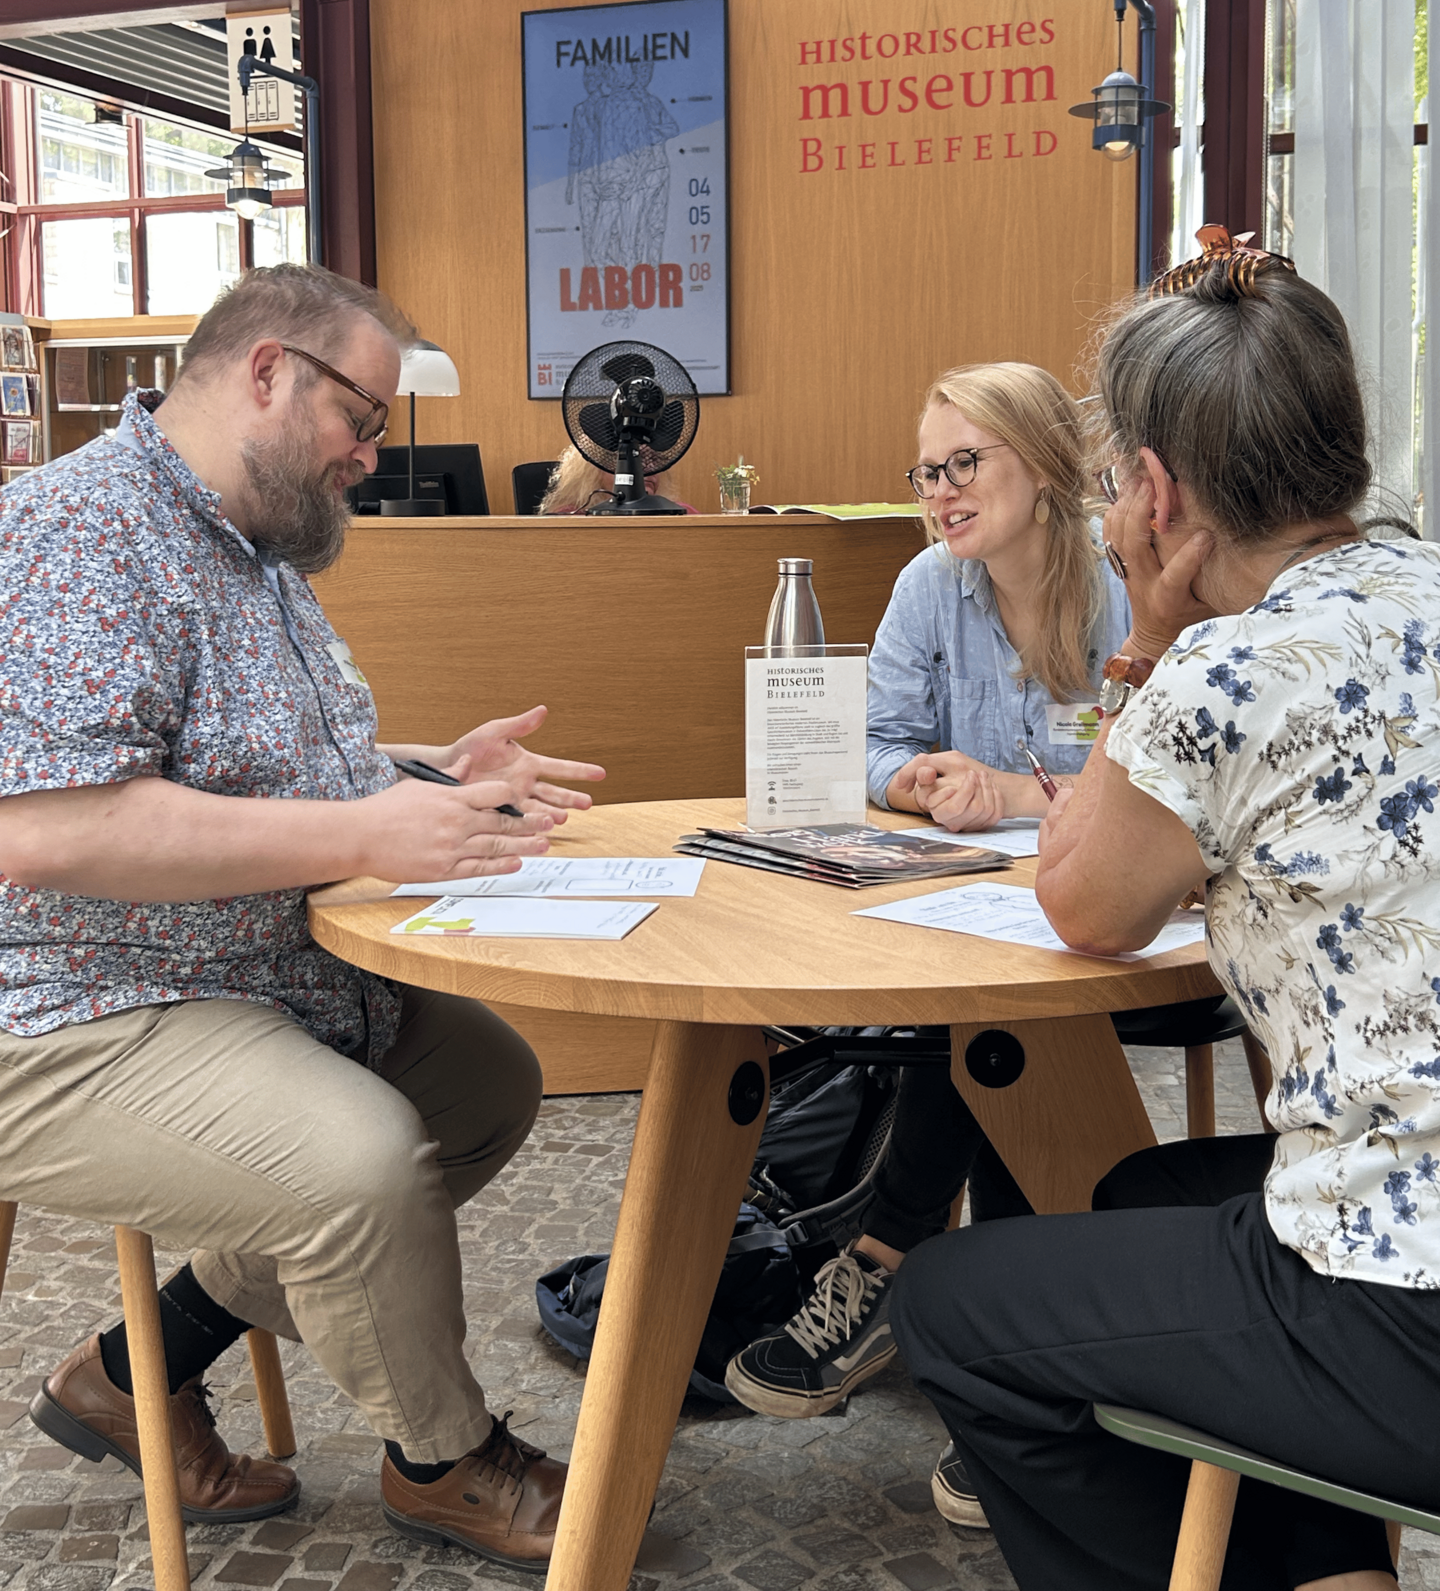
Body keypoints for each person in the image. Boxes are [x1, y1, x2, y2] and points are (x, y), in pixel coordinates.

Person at [0, 264, 605, 1574]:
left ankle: (126, 1371)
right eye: (365, 417)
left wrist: (435, 773)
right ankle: (444, 1461)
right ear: (268, 372)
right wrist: (365, 831)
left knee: (486, 1084)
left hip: (252, 983)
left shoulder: (249, 543)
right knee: (361, 1162)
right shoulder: (77, 531)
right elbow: (46, 827)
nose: (374, 456)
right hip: (72, 1011)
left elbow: (247, 765)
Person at [891, 228, 1440, 1591]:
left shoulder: (1224, 674)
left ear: (1148, 491)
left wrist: (1144, 640)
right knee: (1144, 1192)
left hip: (1404, 1309)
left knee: (948, 1308)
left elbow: (1082, 902)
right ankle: (1332, 1573)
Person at [728, 363, 1173, 1522]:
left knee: (1001, 1012)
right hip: (977, 906)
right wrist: (920, 782)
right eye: (927, 471)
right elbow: (873, 745)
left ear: (1042, 462)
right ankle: (1005, 1366)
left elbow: (1167, 776)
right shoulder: (932, 585)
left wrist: (1016, 797)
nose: (940, 492)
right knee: (983, 1002)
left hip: (1129, 913)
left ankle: (911, 1277)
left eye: (964, 463)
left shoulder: (1129, 581)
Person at [538, 442, 695, 513]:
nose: (647, 469)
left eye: (654, 459)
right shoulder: (568, 521)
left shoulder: (684, 515)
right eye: (633, 459)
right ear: (592, 470)